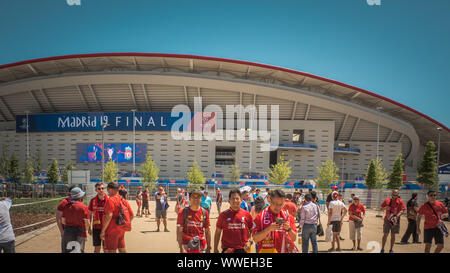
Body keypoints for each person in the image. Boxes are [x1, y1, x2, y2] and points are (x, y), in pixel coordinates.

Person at [100, 182, 134, 253]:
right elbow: (131, 215)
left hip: (111, 230)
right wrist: (123, 224)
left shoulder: (111, 200)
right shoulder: (123, 200)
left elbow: (109, 216)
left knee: (111, 250)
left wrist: (103, 231)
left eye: (108, 189)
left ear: (111, 189)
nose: (108, 191)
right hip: (121, 229)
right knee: (122, 249)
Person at [177, 189, 211, 253]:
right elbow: (179, 232)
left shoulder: (205, 212)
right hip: (187, 245)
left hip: (201, 245)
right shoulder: (182, 212)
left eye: (198, 197)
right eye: (193, 197)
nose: (196, 199)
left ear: (201, 199)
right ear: (189, 198)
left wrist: (208, 246)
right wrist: (181, 248)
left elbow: (207, 230)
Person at [61, 187, 90, 253]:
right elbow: (87, 222)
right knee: (78, 251)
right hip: (79, 233)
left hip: (67, 232)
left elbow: (63, 221)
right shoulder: (84, 207)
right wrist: (85, 231)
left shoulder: (66, 206)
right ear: (80, 197)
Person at [88, 183, 108, 253]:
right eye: (99, 189)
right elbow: (89, 215)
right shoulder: (92, 201)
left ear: (105, 189)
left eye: (102, 188)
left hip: (107, 228)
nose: (101, 190)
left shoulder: (109, 200)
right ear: (96, 190)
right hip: (96, 228)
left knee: (106, 249)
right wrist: (89, 227)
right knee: (97, 248)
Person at [56, 185, 76, 252]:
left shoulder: (79, 202)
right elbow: (58, 218)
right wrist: (62, 231)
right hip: (67, 232)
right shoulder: (64, 203)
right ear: (69, 193)